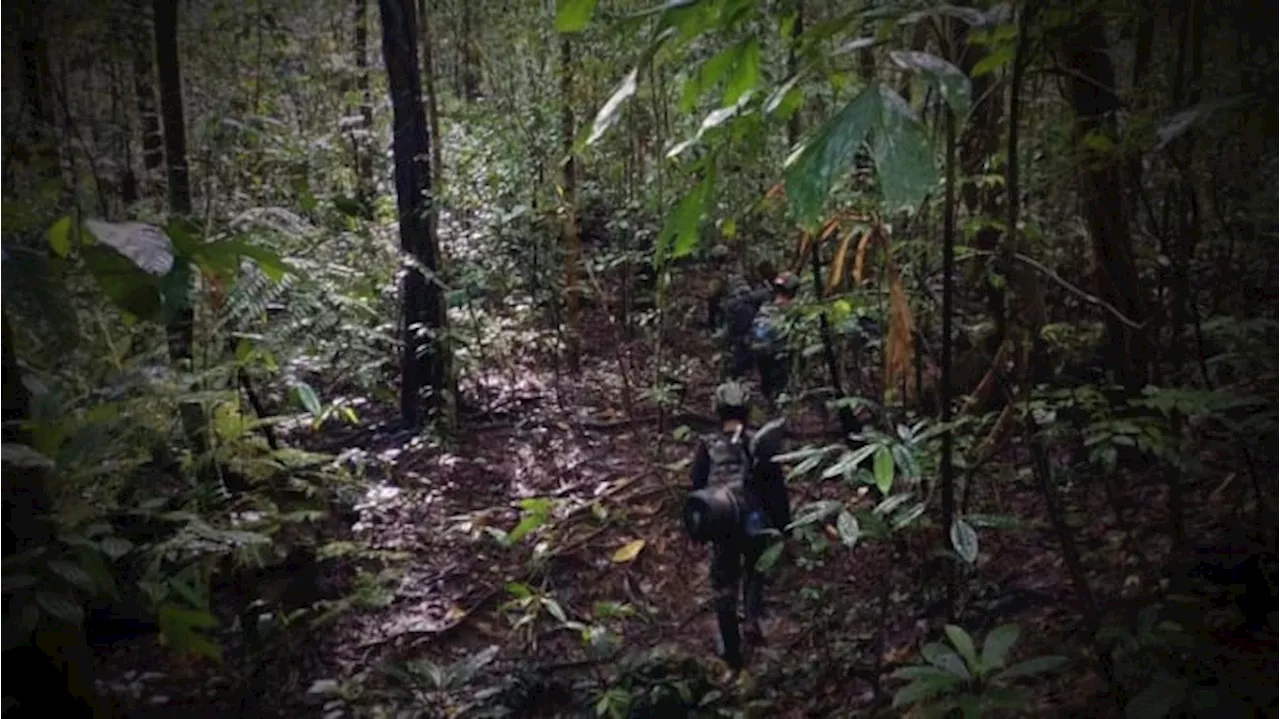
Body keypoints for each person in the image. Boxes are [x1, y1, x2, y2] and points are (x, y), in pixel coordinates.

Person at [686, 382, 790, 674]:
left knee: (724, 582)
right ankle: (753, 618)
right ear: (746, 409)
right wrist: (785, 526)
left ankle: (731, 649)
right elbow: (776, 491)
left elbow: (696, 486)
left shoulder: (707, 445)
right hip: (754, 521)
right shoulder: (759, 443)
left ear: (718, 411)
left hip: (723, 523)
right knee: (756, 569)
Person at [707, 246, 775, 380]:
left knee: (733, 343)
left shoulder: (719, 277)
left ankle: (734, 375)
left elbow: (712, 300)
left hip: (737, 312)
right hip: (751, 309)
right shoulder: (741, 269)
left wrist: (712, 322)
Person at [750, 271, 801, 407]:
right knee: (776, 383)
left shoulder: (770, 305)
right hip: (773, 351)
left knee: (771, 382)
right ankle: (776, 407)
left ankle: (774, 405)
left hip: (767, 351)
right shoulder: (783, 307)